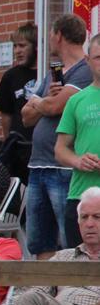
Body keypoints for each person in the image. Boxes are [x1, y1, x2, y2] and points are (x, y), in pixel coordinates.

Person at [21, 14, 88, 258]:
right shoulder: (54, 73)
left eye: (50, 34)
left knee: (68, 239)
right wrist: (46, 99)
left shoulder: (85, 70)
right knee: (40, 239)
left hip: (62, 167)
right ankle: (45, 291)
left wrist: (41, 101)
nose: (49, 39)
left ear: (58, 35)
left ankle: (69, 292)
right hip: (38, 165)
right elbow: (25, 116)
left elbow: (54, 108)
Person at [55, 33, 100, 246]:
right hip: (81, 195)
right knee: (78, 265)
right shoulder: (76, 101)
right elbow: (61, 149)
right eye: (98, 57)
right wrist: (78, 161)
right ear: (88, 60)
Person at [0, 22, 38, 144]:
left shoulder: (50, 74)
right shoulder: (10, 77)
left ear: (36, 46)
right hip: (20, 144)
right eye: (15, 46)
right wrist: (8, 142)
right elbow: (5, 115)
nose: (17, 51)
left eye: (22, 46)